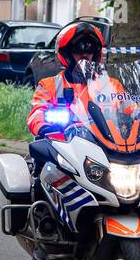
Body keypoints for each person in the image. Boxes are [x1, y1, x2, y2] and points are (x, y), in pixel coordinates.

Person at [26, 21, 110, 175]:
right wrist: (44, 127)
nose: (85, 57)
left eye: (90, 52)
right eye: (79, 52)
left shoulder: (110, 85)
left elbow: (130, 108)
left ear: (96, 54)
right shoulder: (49, 85)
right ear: (67, 54)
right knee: (45, 170)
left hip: (105, 146)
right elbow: (36, 113)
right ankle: (39, 183)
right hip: (64, 145)